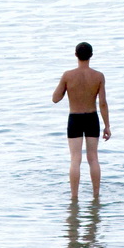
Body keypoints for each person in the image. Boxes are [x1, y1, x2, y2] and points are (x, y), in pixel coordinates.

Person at [53, 42, 111, 200]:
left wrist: (66, 85)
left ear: (75, 55)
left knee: (75, 159)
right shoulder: (98, 76)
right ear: (91, 55)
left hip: (75, 118)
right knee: (93, 158)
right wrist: (107, 126)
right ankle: (96, 195)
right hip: (92, 118)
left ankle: (74, 197)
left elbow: (55, 98)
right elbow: (103, 103)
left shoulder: (68, 75)